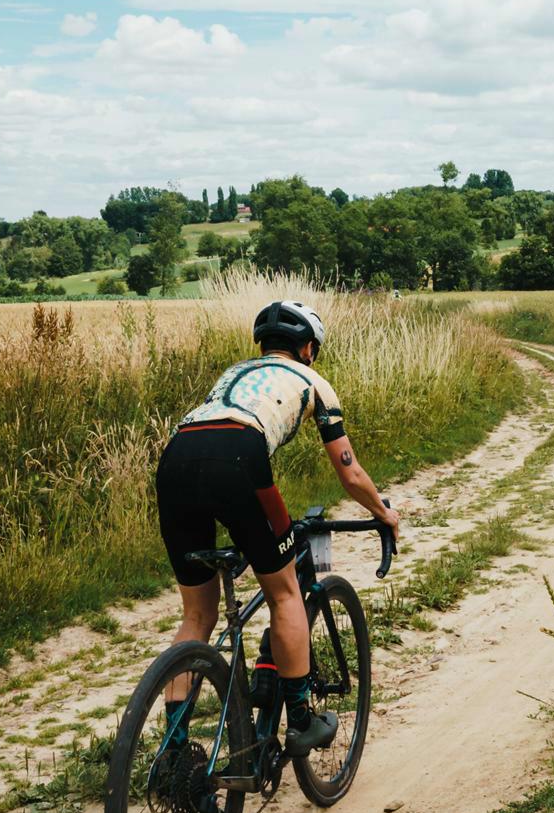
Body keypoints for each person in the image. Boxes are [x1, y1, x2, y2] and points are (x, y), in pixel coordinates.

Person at [156, 300, 401, 758]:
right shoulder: (313, 381)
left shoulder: (234, 372)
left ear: (264, 346)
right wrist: (384, 513)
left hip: (175, 459)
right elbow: (349, 473)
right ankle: (301, 719)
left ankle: (174, 747)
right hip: (239, 458)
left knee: (196, 616)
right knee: (285, 593)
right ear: (308, 348)